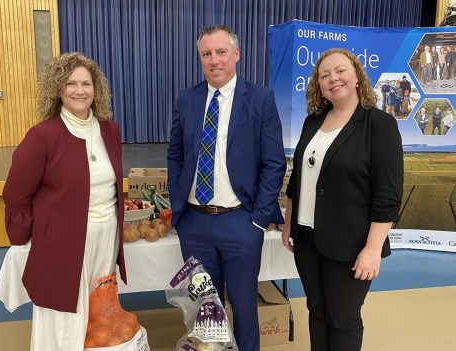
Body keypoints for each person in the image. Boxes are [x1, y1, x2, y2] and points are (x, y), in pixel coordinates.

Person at [167, 25, 286, 350]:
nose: (214, 60)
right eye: (206, 54)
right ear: (200, 58)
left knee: (245, 308)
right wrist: (179, 208)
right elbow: (175, 154)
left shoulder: (260, 99)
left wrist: (258, 220)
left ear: (236, 54)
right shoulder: (187, 99)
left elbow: (274, 163)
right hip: (194, 223)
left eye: (220, 52)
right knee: (206, 311)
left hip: (241, 223)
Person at [2, 52, 126, 350]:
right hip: (63, 244)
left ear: (96, 89)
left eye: (86, 83)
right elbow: (16, 193)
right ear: (59, 89)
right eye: (71, 84)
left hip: (105, 238)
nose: (79, 90)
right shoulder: (42, 136)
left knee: (100, 313)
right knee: (63, 319)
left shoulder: (109, 130)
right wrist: (29, 236)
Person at [281, 48, 403, 351]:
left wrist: (373, 249)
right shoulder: (313, 123)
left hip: (351, 243)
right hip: (307, 239)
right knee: (317, 310)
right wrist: (288, 224)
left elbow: (388, 195)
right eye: (324, 75)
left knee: (343, 317)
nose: (333, 79)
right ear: (318, 85)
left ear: (357, 77)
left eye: (340, 71)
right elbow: (298, 180)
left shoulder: (379, 125)